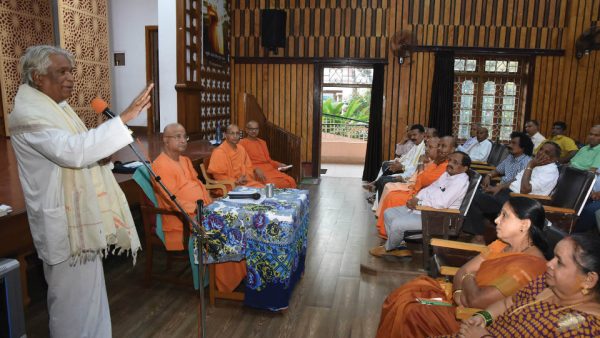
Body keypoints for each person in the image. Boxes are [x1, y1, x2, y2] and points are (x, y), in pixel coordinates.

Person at [8, 45, 151, 338]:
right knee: (72, 311)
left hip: (81, 221)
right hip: (64, 224)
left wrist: (100, 156)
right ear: (37, 77)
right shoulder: (29, 115)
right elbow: (71, 152)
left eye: (71, 71)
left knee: (92, 302)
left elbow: (79, 147)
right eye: (61, 71)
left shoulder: (56, 109)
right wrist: (122, 119)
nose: (71, 78)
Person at [375, 197, 551, 338]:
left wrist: (468, 281)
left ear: (524, 224)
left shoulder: (528, 265)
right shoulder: (500, 245)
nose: (496, 220)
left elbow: (476, 301)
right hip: (459, 300)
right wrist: (460, 293)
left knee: (411, 311)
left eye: (505, 216)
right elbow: (463, 271)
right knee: (403, 294)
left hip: (474, 320)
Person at [152, 123, 246, 292]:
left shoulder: (185, 160)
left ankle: (238, 275)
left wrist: (211, 201)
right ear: (165, 140)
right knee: (222, 229)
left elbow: (199, 185)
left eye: (184, 136)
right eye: (177, 136)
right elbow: (171, 200)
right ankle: (224, 284)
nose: (183, 140)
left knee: (237, 220)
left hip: (204, 208)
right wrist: (197, 211)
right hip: (184, 218)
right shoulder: (160, 165)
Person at [453, 234, 600, 338]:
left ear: (589, 279)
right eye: (553, 257)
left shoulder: (583, 325)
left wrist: (483, 337)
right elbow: (507, 303)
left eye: (559, 262)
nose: (549, 264)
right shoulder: (545, 283)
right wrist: (483, 317)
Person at [370, 151, 471, 257]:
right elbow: (429, 188)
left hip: (439, 217)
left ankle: (389, 249)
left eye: (455, 162)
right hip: (425, 209)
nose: (450, 163)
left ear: (464, 168)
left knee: (397, 224)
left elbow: (441, 204)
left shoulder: (460, 181)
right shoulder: (447, 174)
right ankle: (399, 246)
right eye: (450, 160)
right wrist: (416, 198)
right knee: (389, 213)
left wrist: (419, 203)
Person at [462, 141, 559, 242]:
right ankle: (478, 230)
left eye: (547, 153)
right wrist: (499, 187)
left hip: (521, 201)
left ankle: (479, 237)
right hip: (510, 193)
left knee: (476, 198)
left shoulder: (549, 171)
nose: (541, 153)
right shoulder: (537, 164)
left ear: (554, 159)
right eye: (541, 149)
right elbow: (516, 179)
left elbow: (524, 189)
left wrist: (530, 166)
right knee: (478, 191)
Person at [373, 136, 455, 238]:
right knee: (391, 193)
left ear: (452, 150)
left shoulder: (447, 165)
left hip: (425, 200)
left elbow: (424, 180)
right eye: (439, 146)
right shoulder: (440, 161)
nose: (440, 149)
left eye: (443, 146)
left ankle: (393, 235)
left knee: (393, 197)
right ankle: (390, 233)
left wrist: (422, 164)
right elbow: (422, 178)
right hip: (419, 192)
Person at [364, 124, 427, 199]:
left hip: (409, 174)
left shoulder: (423, 147)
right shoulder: (416, 145)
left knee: (383, 178)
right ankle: (376, 191)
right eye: (410, 133)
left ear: (423, 134)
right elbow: (400, 153)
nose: (412, 136)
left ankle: (375, 188)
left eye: (414, 135)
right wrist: (402, 142)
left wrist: (402, 167)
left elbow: (415, 167)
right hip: (406, 169)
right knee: (386, 166)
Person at [238, 120, 297, 188]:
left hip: (269, 169)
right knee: (273, 184)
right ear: (246, 130)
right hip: (255, 171)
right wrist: (255, 169)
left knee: (291, 180)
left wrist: (279, 165)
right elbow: (241, 162)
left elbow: (268, 160)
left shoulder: (262, 142)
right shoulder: (242, 143)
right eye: (251, 129)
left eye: (256, 129)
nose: (254, 131)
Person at [207, 124, 265, 189]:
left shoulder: (241, 149)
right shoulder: (219, 152)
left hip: (245, 182)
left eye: (237, 133)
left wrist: (245, 178)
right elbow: (218, 175)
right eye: (232, 133)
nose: (235, 136)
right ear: (226, 135)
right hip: (229, 185)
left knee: (262, 189)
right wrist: (235, 181)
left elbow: (249, 167)